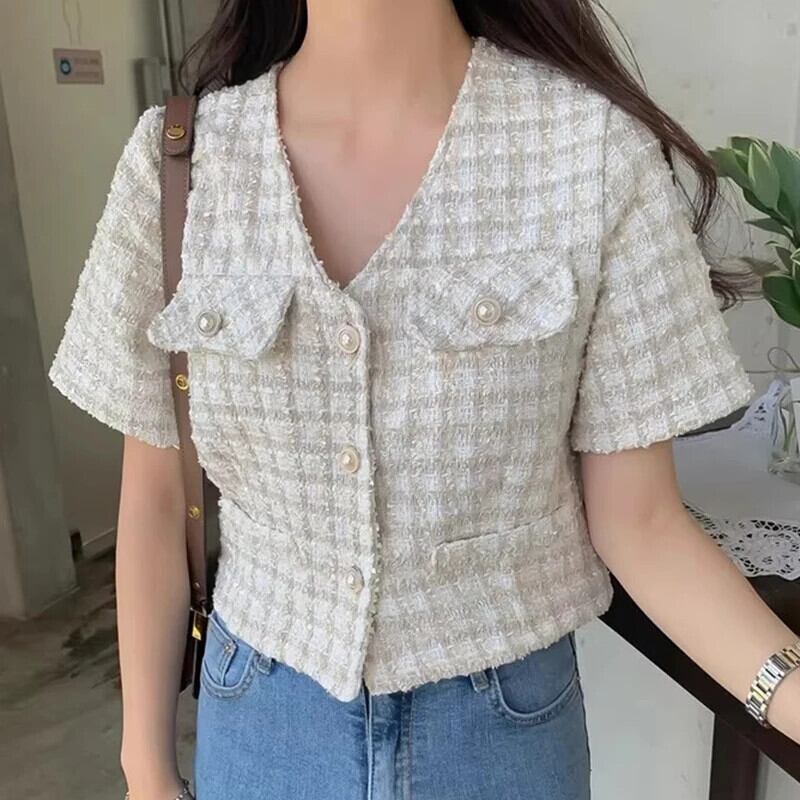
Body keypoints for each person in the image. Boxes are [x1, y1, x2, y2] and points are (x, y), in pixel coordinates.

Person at [48, 1, 800, 798]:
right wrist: (146, 769)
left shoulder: (593, 154)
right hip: (260, 728)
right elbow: (158, 501)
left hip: (503, 741)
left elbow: (641, 523)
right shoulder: (180, 165)